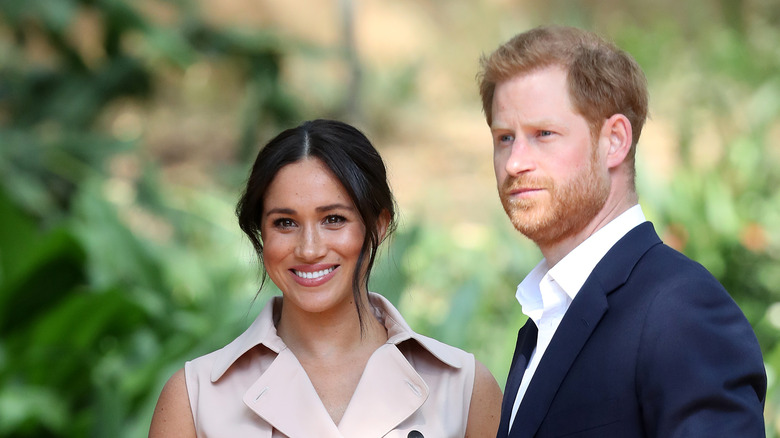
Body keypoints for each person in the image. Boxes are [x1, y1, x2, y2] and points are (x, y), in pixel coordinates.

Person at [477, 26, 766, 437]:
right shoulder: (546, 314)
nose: (514, 162)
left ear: (614, 141)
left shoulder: (681, 312)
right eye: (505, 138)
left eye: (543, 134)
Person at [149, 119, 502, 437]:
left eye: (333, 219)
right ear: (261, 236)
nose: (309, 249)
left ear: (377, 227)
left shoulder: (464, 389)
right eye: (285, 223)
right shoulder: (194, 399)